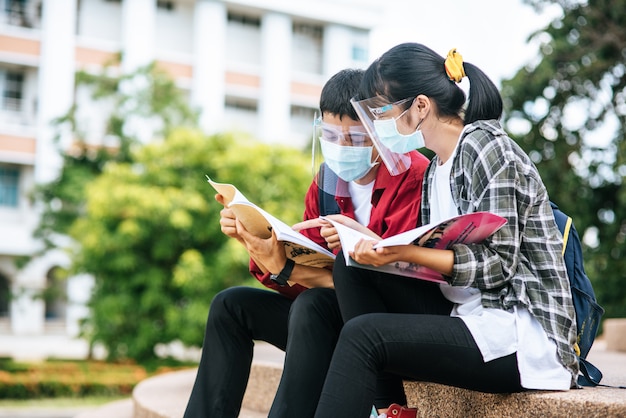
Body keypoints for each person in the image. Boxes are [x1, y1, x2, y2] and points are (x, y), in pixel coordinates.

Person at [313, 43, 579, 418]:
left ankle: (386, 410)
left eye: (381, 111)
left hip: (519, 333)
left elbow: (499, 267)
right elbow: (431, 256)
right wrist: (370, 241)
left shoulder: (486, 148)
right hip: (465, 314)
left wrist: (405, 252)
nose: (377, 124)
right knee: (351, 264)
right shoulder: (436, 168)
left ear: (420, 106)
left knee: (363, 336)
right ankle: (392, 410)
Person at [182, 68, 446, 418]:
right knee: (231, 306)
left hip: (386, 326)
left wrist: (294, 267)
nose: (341, 148)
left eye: (355, 139)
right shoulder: (326, 182)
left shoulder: (414, 177)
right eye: (332, 136)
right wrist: (261, 243)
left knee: (313, 307)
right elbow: (299, 278)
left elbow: (401, 282)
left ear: (379, 130)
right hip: (325, 319)